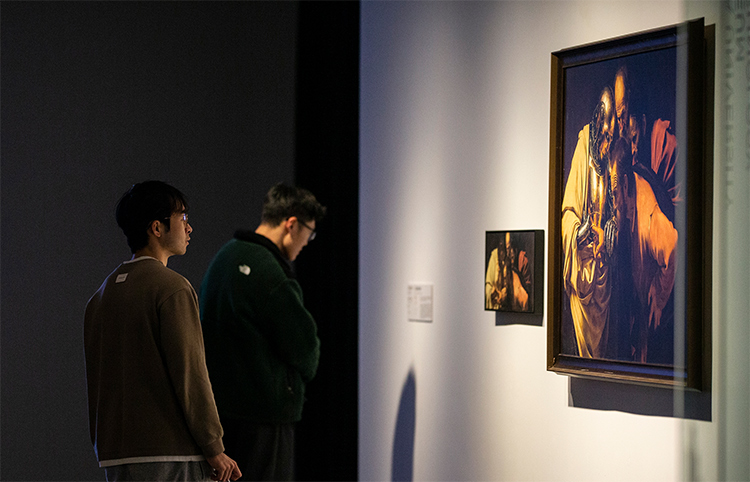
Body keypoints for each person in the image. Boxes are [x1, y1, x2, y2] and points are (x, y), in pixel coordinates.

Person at [84, 181, 241, 482]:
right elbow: (190, 374)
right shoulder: (172, 288)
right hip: (171, 453)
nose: (189, 227)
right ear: (157, 227)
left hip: (115, 454)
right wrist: (214, 446)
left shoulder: (101, 297)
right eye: (182, 217)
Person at [199, 183, 326, 481]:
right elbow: (306, 348)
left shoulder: (225, 257)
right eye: (309, 233)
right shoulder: (270, 274)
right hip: (263, 420)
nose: (307, 243)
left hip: (219, 416)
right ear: (291, 225)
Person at [608, 138, 678, 362]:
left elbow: (673, 248)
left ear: (625, 184)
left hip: (657, 318)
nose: (613, 202)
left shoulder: (650, 217)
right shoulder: (630, 192)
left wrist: (658, 295)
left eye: (614, 192)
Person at [561, 87, 617, 358]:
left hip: (601, 270)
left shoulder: (609, 164)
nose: (607, 141)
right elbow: (567, 214)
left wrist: (611, 229)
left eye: (611, 137)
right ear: (597, 123)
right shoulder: (583, 150)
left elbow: (614, 212)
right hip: (582, 268)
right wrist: (578, 232)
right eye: (605, 135)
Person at [485, 232, 531, 312]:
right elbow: (488, 287)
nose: (510, 253)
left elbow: (525, 298)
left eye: (511, 247)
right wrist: (494, 294)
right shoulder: (495, 256)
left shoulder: (522, 260)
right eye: (507, 248)